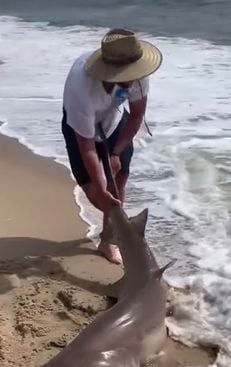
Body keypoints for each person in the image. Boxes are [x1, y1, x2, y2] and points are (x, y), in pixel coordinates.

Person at [62, 28, 162, 264]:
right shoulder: (81, 89)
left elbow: (137, 115)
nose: (132, 79)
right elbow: (85, 144)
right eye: (125, 76)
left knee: (119, 182)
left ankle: (109, 240)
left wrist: (117, 152)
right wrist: (100, 185)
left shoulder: (137, 73)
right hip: (81, 127)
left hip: (115, 120)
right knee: (98, 194)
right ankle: (113, 221)